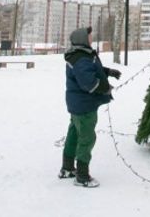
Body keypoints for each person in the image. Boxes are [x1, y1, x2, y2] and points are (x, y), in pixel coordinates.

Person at [59, 26, 121, 187]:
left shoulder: (81, 55)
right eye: (89, 36)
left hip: (77, 104)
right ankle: (82, 175)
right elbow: (89, 83)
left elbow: (92, 70)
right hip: (85, 105)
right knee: (86, 138)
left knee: (74, 134)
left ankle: (67, 168)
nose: (91, 38)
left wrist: (108, 72)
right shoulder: (81, 58)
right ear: (82, 39)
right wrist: (105, 88)